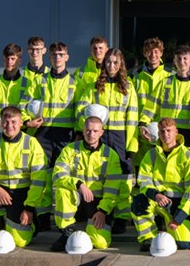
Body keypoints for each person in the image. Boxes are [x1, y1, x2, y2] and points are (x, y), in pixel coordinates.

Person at [76, 47, 139, 233]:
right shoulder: (95, 85)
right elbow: (81, 109)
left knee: (123, 178)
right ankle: (102, 211)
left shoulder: (128, 87)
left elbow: (133, 118)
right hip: (99, 135)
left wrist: (131, 146)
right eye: (108, 62)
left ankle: (121, 216)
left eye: (115, 63)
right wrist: (86, 126)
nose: (111, 66)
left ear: (121, 65)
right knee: (100, 173)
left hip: (120, 136)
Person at [0, 106, 48, 250]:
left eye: (14, 122)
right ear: (1, 123)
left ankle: (32, 224)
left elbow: (39, 180)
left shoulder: (32, 143)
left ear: (21, 123)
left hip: (21, 195)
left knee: (20, 242)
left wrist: (29, 208)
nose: (9, 126)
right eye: (6, 122)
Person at [50, 115, 123, 252]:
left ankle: (87, 230)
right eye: (88, 130)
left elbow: (112, 188)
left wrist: (103, 210)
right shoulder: (69, 150)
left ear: (102, 132)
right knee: (62, 191)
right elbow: (58, 175)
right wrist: (78, 184)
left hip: (97, 202)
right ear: (83, 131)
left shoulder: (110, 155)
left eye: (95, 131)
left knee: (100, 243)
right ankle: (67, 231)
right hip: (76, 198)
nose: (91, 134)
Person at [132, 118, 190, 252]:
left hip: (177, 204)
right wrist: (155, 194)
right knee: (139, 201)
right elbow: (143, 180)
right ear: (158, 134)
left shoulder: (188, 156)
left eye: (169, 131)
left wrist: (179, 218)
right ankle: (148, 238)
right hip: (157, 199)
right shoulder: (151, 154)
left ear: (176, 132)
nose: (166, 134)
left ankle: (181, 229)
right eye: (162, 131)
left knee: (183, 244)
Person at [30, 41, 79, 224]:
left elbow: (79, 108)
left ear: (67, 57)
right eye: (54, 55)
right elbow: (28, 103)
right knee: (42, 174)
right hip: (43, 133)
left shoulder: (75, 82)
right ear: (49, 57)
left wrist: (79, 131)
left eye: (61, 54)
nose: (57, 58)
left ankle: (63, 216)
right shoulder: (40, 80)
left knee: (63, 174)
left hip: (65, 135)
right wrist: (29, 119)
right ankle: (43, 216)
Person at [73, 35, 109, 102]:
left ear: (107, 50)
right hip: (85, 111)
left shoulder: (112, 71)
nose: (97, 50)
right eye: (94, 48)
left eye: (100, 48)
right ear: (90, 50)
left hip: (106, 111)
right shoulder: (80, 71)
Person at [22, 36, 49, 100]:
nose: (34, 52)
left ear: (44, 50)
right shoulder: (20, 74)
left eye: (38, 49)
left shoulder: (50, 73)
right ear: (27, 50)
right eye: (31, 49)